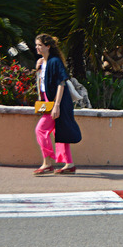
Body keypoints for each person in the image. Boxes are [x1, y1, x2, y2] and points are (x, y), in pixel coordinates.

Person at [33, 34, 82, 175]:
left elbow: (61, 83)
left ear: (48, 46)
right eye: (36, 45)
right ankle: (69, 164)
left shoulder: (55, 62)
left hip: (58, 102)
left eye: (40, 45)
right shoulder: (43, 62)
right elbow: (42, 84)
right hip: (49, 102)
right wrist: (39, 68)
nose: (37, 47)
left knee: (40, 130)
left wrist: (57, 105)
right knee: (60, 132)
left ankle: (47, 163)